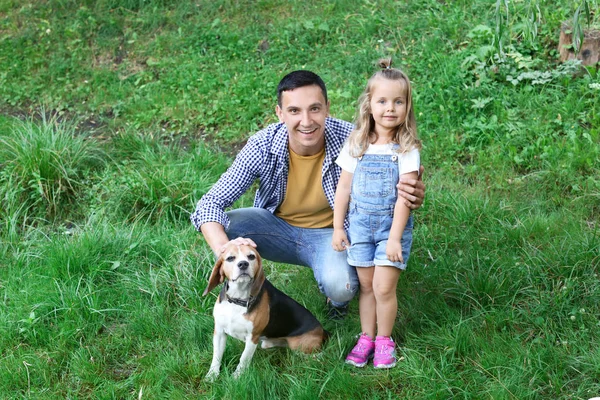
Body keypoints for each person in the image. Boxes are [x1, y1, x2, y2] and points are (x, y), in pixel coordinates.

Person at [191, 69, 425, 320]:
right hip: (275, 229)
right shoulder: (262, 145)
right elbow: (209, 204)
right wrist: (224, 250)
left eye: (314, 109)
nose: (306, 121)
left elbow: (392, 178)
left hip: (333, 234)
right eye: (294, 111)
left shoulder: (356, 140)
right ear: (279, 113)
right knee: (228, 224)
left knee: (342, 286)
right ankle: (244, 289)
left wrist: (412, 192)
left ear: (327, 107)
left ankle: (336, 300)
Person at [332, 59, 420, 368]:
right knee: (367, 287)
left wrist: (395, 238)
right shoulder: (357, 143)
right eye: (382, 101)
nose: (390, 108)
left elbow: (405, 198)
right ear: (369, 104)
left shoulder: (406, 148)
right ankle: (366, 336)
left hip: (389, 229)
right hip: (358, 228)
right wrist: (338, 228)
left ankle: (384, 339)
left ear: (407, 106)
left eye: (399, 101)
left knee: (384, 287)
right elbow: (343, 189)